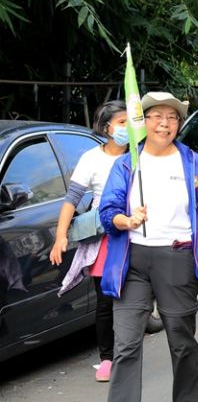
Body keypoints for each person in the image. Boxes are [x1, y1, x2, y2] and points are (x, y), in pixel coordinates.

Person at [99, 92, 198, 402]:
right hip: (131, 260)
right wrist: (126, 220)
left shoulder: (192, 162)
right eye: (157, 116)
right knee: (127, 344)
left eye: (172, 117)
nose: (165, 123)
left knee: (182, 341)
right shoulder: (127, 163)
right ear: (144, 122)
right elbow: (107, 211)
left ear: (179, 124)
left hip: (177, 257)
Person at [50, 101, 127, 382]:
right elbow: (71, 200)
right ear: (107, 128)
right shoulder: (91, 159)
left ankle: (127, 353)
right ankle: (107, 358)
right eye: (121, 122)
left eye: (131, 121)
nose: (127, 128)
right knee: (105, 302)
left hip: (138, 233)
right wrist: (60, 237)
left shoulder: (141, 156)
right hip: (105, 236)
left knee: (133, 298)